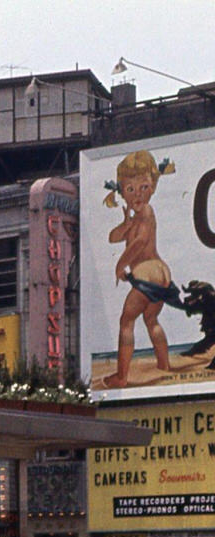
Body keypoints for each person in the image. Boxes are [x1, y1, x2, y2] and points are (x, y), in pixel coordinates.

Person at [102, 150, 177, 388]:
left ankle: (122, 377)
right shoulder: (136, 217)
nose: (137, 194)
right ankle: (164, 364)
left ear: (153, 186)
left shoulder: (146, 211)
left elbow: (140, 242)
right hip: (160, 274)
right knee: (151, 318)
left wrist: (120, 264)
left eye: (143, 187)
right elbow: (113, 237)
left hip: (148, 271)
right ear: (121, 191)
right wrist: (125, 223)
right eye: (130, 189)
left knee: (126, 320)